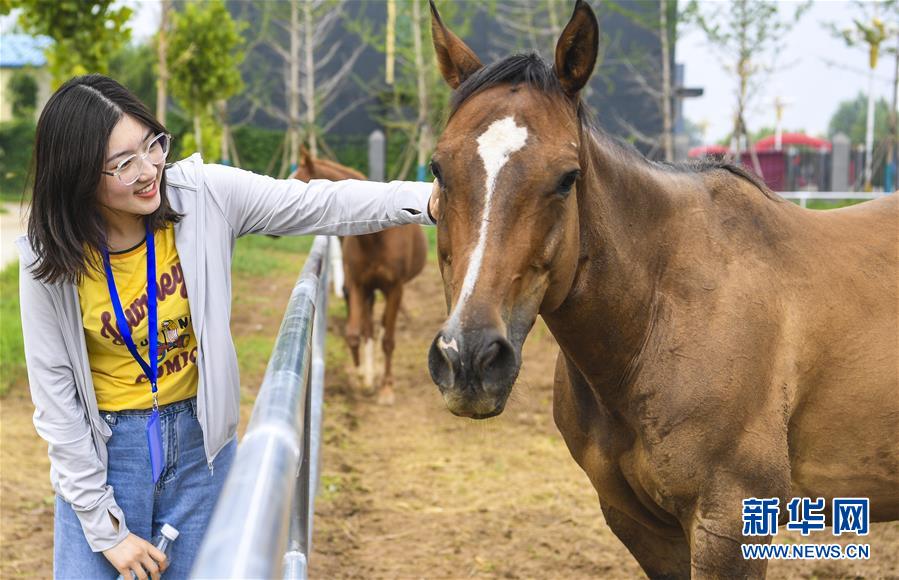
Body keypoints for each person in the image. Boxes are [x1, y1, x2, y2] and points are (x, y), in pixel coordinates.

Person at [16, 74, 438, 580]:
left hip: (202, 452)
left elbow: (319, 203)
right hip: (104, 458)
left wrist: (433, 199)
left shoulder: (204, 195)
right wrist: (107, 528)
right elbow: (56, 397)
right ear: (78, 174)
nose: (150, 169)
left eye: (153, 145)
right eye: (124, 163)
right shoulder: (49, 256)